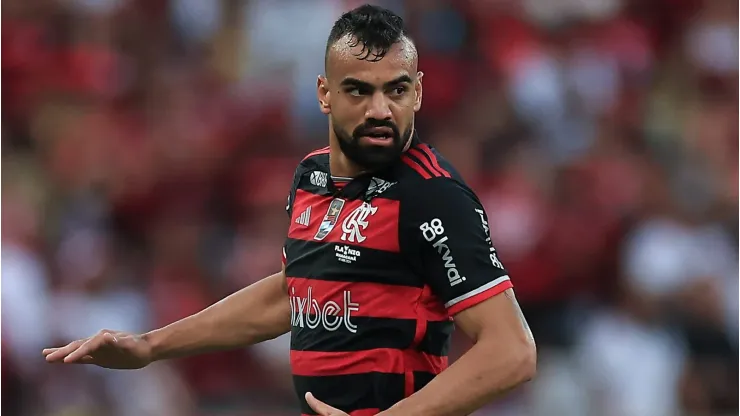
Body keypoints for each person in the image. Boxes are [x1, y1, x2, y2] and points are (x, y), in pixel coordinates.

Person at [43, 4, 536, 415]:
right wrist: (151, 347)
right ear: (324, 93)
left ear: (419, 92)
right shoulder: (312, 177)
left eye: (397, 90)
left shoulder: (433, 196)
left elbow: (511, 351)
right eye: (359, 90)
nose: (381, 110)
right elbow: (295, 292)